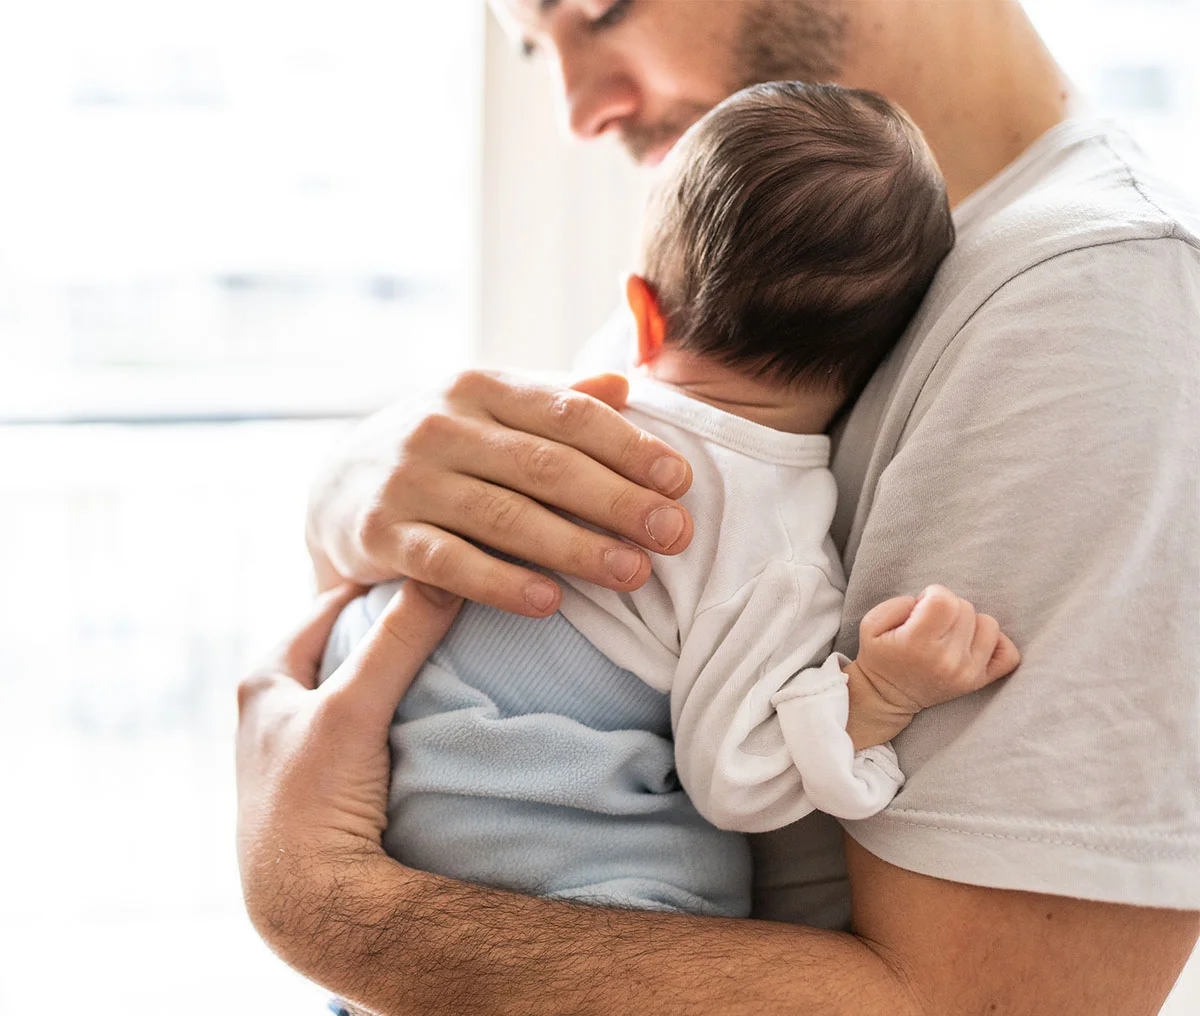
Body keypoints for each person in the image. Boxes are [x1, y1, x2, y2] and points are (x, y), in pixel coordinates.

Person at [236, 2, 1200, 1013]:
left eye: (600, 8)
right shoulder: (762, 260)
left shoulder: (1101, 302)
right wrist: (350, 492)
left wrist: (320, 900)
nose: (576, 107)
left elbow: (981, 1004)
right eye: (535, 44)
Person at [315, 80, 1020, 924]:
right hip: (542, 865)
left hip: (375, 792)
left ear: (643, 314)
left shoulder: (549, 421)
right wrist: (878, 696)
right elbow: (741, 781)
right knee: (690, 878)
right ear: (881, 360)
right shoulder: (772, 547)